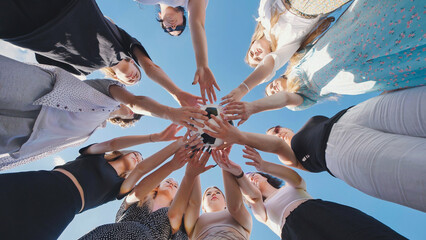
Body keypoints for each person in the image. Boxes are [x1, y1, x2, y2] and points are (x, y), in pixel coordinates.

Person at [204, 86, 426, 212]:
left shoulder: (311, 122)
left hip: (353, 115)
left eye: (278, 127)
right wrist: (239, 137)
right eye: (271, 132)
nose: (278, 132)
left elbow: (288, 97)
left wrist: (252, 106)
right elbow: (278, 146)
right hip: (340, 152)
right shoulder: (294, 159)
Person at [223, 0, 425, 122]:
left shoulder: (267, 20)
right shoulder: (289, 53)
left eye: (252, 54)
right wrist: (245, 92)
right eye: (271, 93)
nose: (273, 88)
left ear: (252, 42)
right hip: (351, 54)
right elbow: (269, 70)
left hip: (343, 29)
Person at [0, 55, 208, 170]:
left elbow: (112, 145)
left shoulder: (87, 133)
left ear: (121, 120)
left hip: (22, 135)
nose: (132, 112)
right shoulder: (107, 90)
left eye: (132, 116)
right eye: (136, 112)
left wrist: (155, 138)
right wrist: (171, 113)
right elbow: (135, 101)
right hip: (34, 91)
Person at [0, 128, 196, 239]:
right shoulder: (95, 157)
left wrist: (176, 153)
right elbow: (112, 144)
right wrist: (155, 137)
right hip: (43, 181)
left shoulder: (119, 187)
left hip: (65, 206)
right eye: (136, 152)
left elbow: (141, 171)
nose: (138, 156)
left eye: (140, 157)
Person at [0, 0, 201, 106]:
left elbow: (44, 71)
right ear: (133, 61)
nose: (133, 77)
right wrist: (176, 93)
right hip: (67, 7)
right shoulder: (123, 43)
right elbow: (151, 67)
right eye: (137, 73)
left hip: (25, 30)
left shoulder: (82, 70)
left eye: (131, 82)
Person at [212, 146, 407, 239]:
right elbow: (253, 197)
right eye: (247, 180)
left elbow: (294, 177)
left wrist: (263, 164)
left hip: (323, 213)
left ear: (266, 177)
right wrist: (237, 173)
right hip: (295, 232)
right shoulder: (260, 210)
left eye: (254, 174)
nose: (251, 178)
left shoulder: (292, 188)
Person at [220, 0, 348, 106]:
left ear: (252, 43)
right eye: (258, 59)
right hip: (309, 7)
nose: (256, 55)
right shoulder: (284, 49)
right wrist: (242, 89)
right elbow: (267, 66)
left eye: (252, 53)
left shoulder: (264, 17)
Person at [79, 141, 214, 239]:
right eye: (168, 181)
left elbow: (175, 215)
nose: (172, 183)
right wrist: (173, 165)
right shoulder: (136, 201)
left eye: (176, 185)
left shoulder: (182, 217)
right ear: (157, 186)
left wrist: (192, 170)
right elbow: (137, 193)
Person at [135, 0, 220, 104]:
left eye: (168, 29)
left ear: (160, 16)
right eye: (180, 27)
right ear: (183, 14)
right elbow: (197, 23)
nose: (173, 27)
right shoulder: (188, 3)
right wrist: (202, 65)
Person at [189, 148, 252, 240]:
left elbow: (235, 207)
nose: (213, 194)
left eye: (218, 192)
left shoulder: (239, 215)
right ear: (203, 206)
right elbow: (194, 203)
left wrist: (223, 162)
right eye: (208, 194)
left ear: (226, 202)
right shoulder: (196, 221)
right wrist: (194, 169)